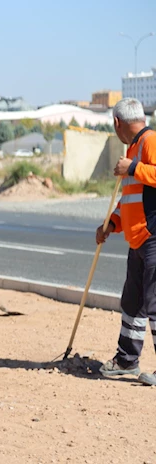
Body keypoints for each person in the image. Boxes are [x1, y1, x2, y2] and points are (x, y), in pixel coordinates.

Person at [95, 98, 156, 384]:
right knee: (132, 303)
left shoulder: (150, 142)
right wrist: (112, 224)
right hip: (138, 240)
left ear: (117, 123)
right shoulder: (133, 150)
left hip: (153, 236)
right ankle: (126, 360)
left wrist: (132, 168)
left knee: (155, 304)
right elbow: (131, 199)